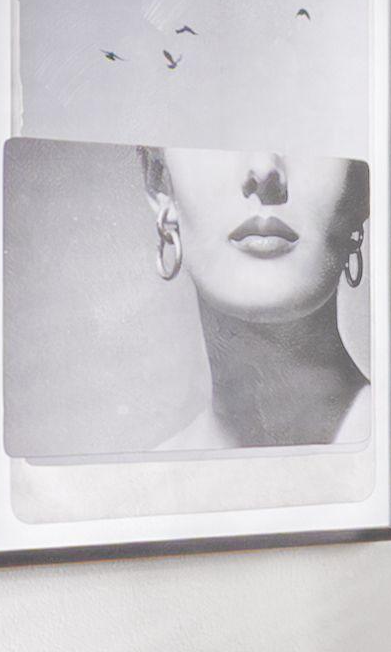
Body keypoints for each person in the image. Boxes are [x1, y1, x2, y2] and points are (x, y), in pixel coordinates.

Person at [137, 146, 373, 450]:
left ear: (363, 187)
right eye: (217, 131)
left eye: (307, 130)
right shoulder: (139, 489)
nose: (264, 170)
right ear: (159, 183)